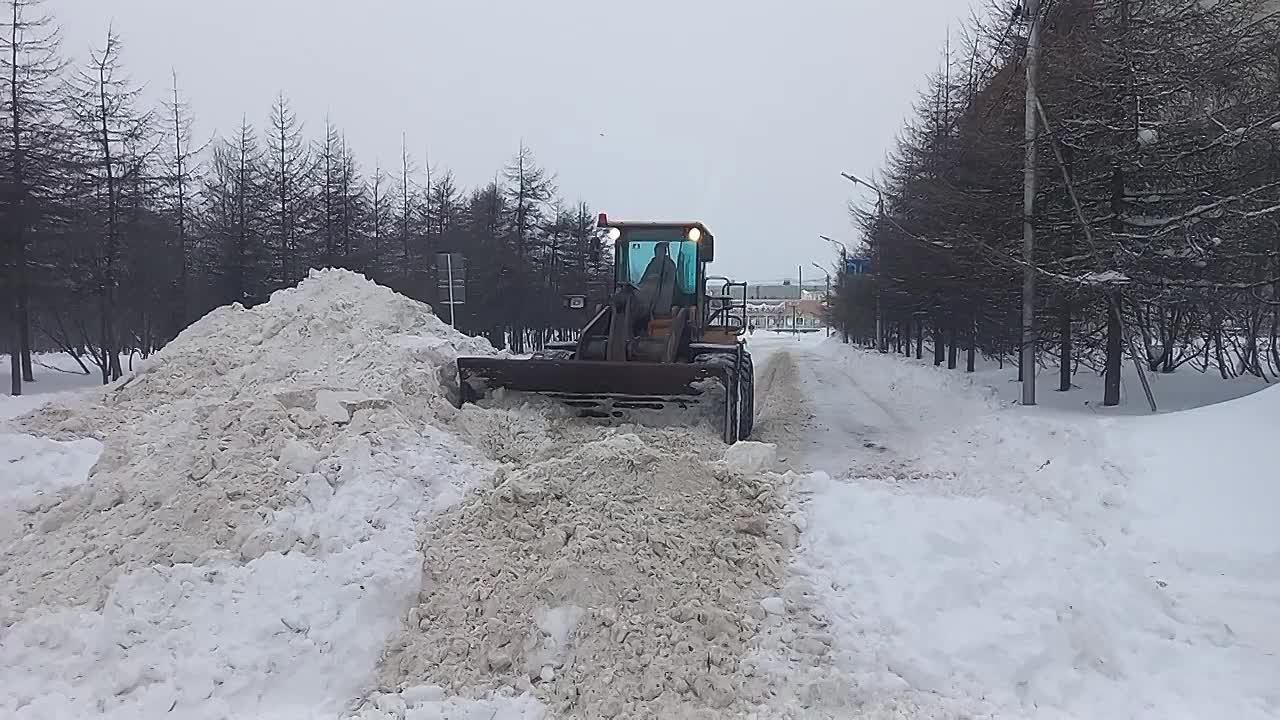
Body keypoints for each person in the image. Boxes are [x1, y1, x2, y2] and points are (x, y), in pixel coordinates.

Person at [635, 241, 678, 318]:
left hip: (663, 299)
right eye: (657, 251)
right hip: (650, 297)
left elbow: (670, 283)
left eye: (660, 251)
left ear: (664, 252)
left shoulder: (670, 265)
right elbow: (644, 279)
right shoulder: (653, 263)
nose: (658, 253)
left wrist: (657, 279)